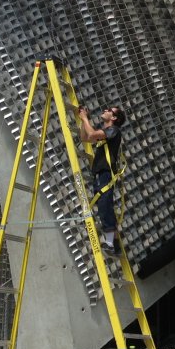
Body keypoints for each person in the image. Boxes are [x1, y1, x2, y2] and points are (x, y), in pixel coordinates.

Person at [77, 104, 126, 253]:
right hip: (100, 173)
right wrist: (83, 121)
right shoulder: (106, 132)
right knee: (104, 205)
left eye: (109, 110)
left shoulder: (114, 130)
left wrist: (85, 118)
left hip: (105, 173)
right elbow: (85, 137)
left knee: (105, 205)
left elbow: (91, 135)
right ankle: (114, 244)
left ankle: (110, 244)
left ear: (114, 118)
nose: (105, 110)